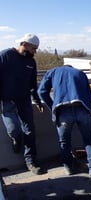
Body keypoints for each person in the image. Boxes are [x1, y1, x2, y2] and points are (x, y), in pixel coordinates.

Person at [37, 65, 91, 181]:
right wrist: (89, 110)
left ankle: (69, 168)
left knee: (64, 142)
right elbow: (88, 93)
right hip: (82, 108)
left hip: (63, 111)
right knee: (88, 139)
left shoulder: (52, 72)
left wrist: (52, 105)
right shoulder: (79, 73)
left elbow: (41, 91)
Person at [0, 33, 45, 175]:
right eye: (33, 48)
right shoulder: (5, 55)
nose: (35, 52)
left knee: (30, 131)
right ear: (24, 44)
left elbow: (33, 84)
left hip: (24, 101)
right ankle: (16, 138)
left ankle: (31, 160)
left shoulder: (31, 62)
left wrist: (37, 100)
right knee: (13, 129)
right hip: (6, 101)